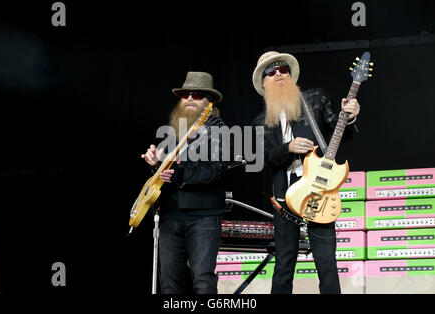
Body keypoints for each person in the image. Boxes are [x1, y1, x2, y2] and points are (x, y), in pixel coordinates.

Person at [252, 51, 361, 294]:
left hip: (319, 190)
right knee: (284, 262)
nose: (279, 74)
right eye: (272, 72)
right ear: (264, 82)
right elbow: (264, 160)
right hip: (285, 195)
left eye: (284, 70)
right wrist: (287, 148)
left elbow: (339, 130)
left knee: (326, 262)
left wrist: (350, 117)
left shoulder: (314, 99)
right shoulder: (260, 121)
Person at [141, 71, 229, 294]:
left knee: (203, 280)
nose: (190, 98)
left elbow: (214, 171)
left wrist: (179, 170)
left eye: (197, 95)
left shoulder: (219, 130)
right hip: (171, 216)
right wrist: (155, 165)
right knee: (169, 282)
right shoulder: (173, 132)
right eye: (186, 94)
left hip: (204, 216)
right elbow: (166, 174)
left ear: (209, 102)